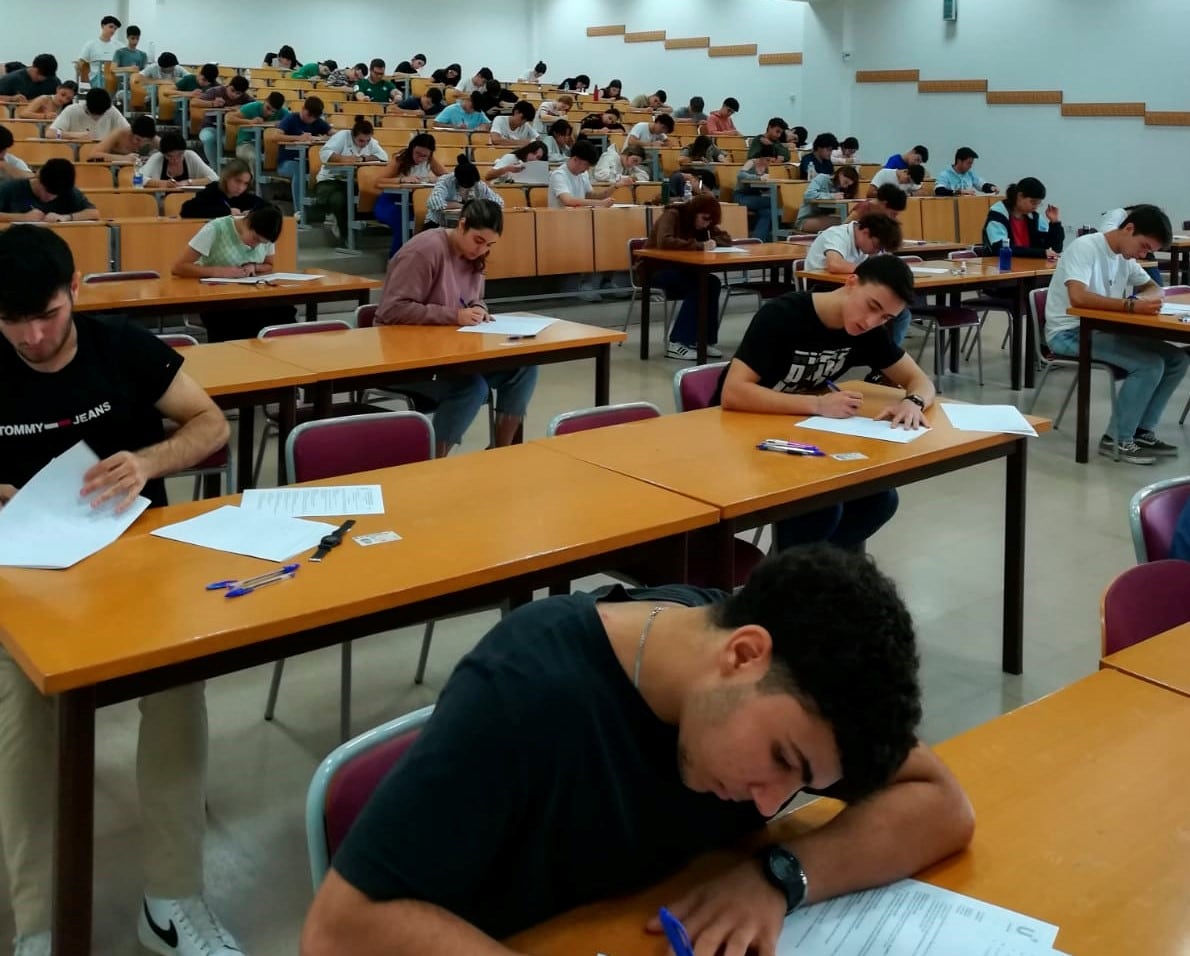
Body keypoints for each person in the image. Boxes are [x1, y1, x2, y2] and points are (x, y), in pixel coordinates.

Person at [300, 544, 973, 956]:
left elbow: (941, 803)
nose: (772, 800)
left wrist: (777, 878)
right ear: (744, 654)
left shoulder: (786, 678)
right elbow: (338, 930)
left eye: (800, 785)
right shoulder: (525, 692)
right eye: (781, 761)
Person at [0, 225, 239, 956]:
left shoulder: (123, 347)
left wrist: (146, 461)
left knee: (175, 691)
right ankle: (39, 926)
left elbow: (208, 423)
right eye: (14, 322)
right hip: (22, 577)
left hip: (131, 562)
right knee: (27, 718)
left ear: (77, 291)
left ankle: (170, 900)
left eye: (49, 314)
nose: (35, 337)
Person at [716, 258, 934, 550]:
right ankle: (785, 579)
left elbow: (920, 380)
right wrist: (818, 405)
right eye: (871, 307)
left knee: (879, 500)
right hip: (738, 436)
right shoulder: (782, 315)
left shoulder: (865, 332)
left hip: (797, 434)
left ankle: (816, 573)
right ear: (851, 283)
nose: (872, 322)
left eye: (885, 318)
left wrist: (913, 402)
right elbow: (733, 393)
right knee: (821, 507)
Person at [375, 199, 537, 457]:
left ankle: (501, 453)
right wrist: (454, 315)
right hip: (406, 358)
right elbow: (391, 310)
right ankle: (431, 460)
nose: (482, 250)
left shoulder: (475, 256)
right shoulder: (424, 251)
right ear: (461, 225)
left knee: (524, 366)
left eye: (489, 245)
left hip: (452, 352)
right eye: (478, 241)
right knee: (471, 388)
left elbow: (472, 298)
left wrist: (479, 308)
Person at [1044, 204, 1185, 464]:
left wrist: (1143, 299)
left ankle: (1142, 431)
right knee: (1149, 365)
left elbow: (1154, 287)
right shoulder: (1087, 247)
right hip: (1070, 332)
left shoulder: (1124, 256)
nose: (1142, 255)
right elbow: (1078, 296)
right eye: (1143, 246)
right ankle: (1116, 439)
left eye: (1149, 251)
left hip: (1102, 329)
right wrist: (1131, 305)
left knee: (1178, 360)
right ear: (1128, 229)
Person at [173, 204, 293, 341]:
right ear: (247, 221)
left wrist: (254, 266)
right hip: (218, 300)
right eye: (255, 239)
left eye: (262, 243)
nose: (255, 245)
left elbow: (269, 265)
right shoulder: (216, 228)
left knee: (284, 312)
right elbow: (179, 267)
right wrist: (218, 272)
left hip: (252, 298)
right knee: (243, 322)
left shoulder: (265, 234)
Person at [639, 194, 733, 360]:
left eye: (710, 221)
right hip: (655, 269)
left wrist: (715, 242)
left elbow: (726, 238)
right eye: (704, 219)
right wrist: (699, 245)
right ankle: (677, 342)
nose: (706, 224)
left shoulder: (704, 223)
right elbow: (665, 242)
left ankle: (703, 340)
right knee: (698, 286)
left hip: (682, 269)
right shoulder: (673, 214)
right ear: (695, 212)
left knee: (712, 283)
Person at [804, 214, 909, 345]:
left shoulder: (865, 247)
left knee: (898, 313)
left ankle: (886, 355)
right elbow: (835, 265)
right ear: (865, 232)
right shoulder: (836, 234)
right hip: (822, 290)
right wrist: (872, 269)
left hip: (850, 288)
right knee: (882, 311)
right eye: (877, 246)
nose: (876, 251)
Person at [311, 117, 388, 241]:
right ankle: (345, 236)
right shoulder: (342, 136)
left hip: (352, 181)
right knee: (341, 199)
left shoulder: (370, 142)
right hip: (330, 181)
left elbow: (384, 157)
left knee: (372, 193)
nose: (365, 144)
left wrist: (362, 159)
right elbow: (325, 154)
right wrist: (343, 159)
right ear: (353, 135)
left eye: (367, 141)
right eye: (361, 141)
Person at [373, 133, 447, 256]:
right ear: (412, 148)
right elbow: (378, 181)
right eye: (417, 153)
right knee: (404, 222)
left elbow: (447, 177)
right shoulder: (400, 160)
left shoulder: (430, 159)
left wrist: (434, 179)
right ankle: (396, 259)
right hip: (391, 202)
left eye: (424, 156)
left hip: (412, 203)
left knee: (430, 220)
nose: (420, 158)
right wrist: (401, 179)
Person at [980, 177, 1063, 259]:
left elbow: (1056, 248)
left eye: (1038, 203)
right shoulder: (998, 214)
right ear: (1020, 196)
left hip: (1030, 265)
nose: (1036, 207)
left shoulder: (1034, 217)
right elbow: (1000, 248)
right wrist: (1040, 253)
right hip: (1002, 266)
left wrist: (1055, 223)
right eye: (1033, 202)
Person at [0, 158, 99, 222]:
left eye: (56, 195)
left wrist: (66, 217)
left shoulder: (66, 188)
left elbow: (93, 213)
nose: (50, 198)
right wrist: (23, 218)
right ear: (39, 179)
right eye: (47, 192)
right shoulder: (11, 188)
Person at [423, 155, 503, 229]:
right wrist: (462, 206)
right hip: (438, 224)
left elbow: (498, 202)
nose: (472, 187)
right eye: (467, 186)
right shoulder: (446, 181)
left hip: (466, 225)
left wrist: (480, 206)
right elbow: (434, 203)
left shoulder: (478, 184)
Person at [196, 75, 253, 166]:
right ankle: (214, 168)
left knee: (229, 142)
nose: (234, 95)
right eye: (232, 90)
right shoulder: (215, 91)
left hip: (229, 131)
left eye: (238, 93)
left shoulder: (246, 98)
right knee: (207, 137)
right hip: (210, 126)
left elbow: (256, 106)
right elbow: (195, 102)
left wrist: (242, 108)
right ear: (228, 85)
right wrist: (212, 103)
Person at [179, 158, 265, 219]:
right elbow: (187, 210)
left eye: (245, 183)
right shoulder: (212, 190)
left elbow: (270, 208)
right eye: (237, 181)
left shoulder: (244, 196)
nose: (241, 187)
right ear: (227, 177)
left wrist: (253, 212)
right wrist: (227, 212)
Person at [1101, 205, 1163, 285]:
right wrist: (1125, 241)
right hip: (1118, 250)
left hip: (1127, 251)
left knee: (1150, 283)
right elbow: (1106, 232)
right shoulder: (1118, 213)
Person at [275, 95, 331, 181]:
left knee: (325, 169)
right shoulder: (291, 118)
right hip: (287, 162)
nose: (310, 119)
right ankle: (300, 195)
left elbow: (333, 133)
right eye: (309, 115)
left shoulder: (317, 122)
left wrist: (324, 138)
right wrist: (299, 138)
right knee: (298, 169)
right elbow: (276, 136)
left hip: (308, 162)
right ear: (303, 108)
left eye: (314, 117)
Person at [548, 139, 614, 209]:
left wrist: (615, 186)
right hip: (560, 218)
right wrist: (600, 203)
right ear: (575, 159)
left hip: (580, 216)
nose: (588, 169)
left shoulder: (583, 174)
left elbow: (591, 195)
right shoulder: (558, 175)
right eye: (586, 164)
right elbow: (568, 201)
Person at [228, 90, 288, 164]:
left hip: (267, 145)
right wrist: (249, 122)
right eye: (268, 108)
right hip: (246, 143)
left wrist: (283, 123)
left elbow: (293, 120)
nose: (269, 113)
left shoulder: (282, 112)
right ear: (265, 101)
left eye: (273, 112)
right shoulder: (252, 107)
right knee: (255, 158)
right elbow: (230, 119)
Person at [796, 164, 860, 234]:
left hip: (824, 217)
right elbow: (808, 195)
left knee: (852, 221)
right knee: (844, 222)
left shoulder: (840, 188)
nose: (845, 186)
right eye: (845, 182)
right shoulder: (822, 178)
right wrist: (832, 196)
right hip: (805, 220)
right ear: (840, 174)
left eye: (848, 185)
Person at [141, 132, 216, 189]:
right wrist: (164, 184)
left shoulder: (190, 156)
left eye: (180, 155)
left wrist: (189, 182)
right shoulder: (157, 158)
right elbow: (138, 178)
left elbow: (214, 178)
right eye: (170, 156)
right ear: (163, 154)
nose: (176, 160)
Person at [49, 87, 127, 140]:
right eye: (93, 114)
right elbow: (51, 134)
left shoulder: (111, 110)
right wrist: (75, 135)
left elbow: (128, 131)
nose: (97, 118)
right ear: (86, 106)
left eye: (101, 114)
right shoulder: (72, 110)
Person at [735, 146, 778, 240]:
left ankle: (758, 240)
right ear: (761, 157)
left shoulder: (768, 168)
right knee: (773, 202)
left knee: (768, 212)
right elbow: (741, 175)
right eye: (767, 160)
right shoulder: (752, 162)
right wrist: (758, 178)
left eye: (772, 161)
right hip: (742, 197)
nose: (769, 163)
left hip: (757, 197)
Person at [89, 113, 157, 163]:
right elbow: (92, 156)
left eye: (144, 142)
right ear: (131, 132)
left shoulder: (153, 139)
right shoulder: (119, 134)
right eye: (137, 139)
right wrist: (124, 158)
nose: (139, 144)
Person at [78, 14, 121, 87]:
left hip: (114, 77)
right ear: (102, 26)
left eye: (115, 28)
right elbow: (80, 63)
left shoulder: (119, 46)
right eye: (111, 27)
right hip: (96, 78)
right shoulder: (91, 45)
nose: (113, 30)